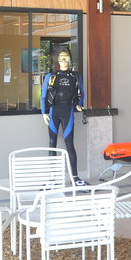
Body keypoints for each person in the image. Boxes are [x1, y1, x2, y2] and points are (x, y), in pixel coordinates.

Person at [41, 49, 87, 185]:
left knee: (70, 145)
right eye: (61, 58)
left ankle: (75, 177)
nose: (63, 61)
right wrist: (44, 113)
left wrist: (79, 105)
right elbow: (43, 96)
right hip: (53, 112)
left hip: (68, 112)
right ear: (57, 60)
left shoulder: (75, 76)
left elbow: (82, 93)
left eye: (66, 58)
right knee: (52, 144)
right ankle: (53, 178)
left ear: (70, 60)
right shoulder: (51, 76)